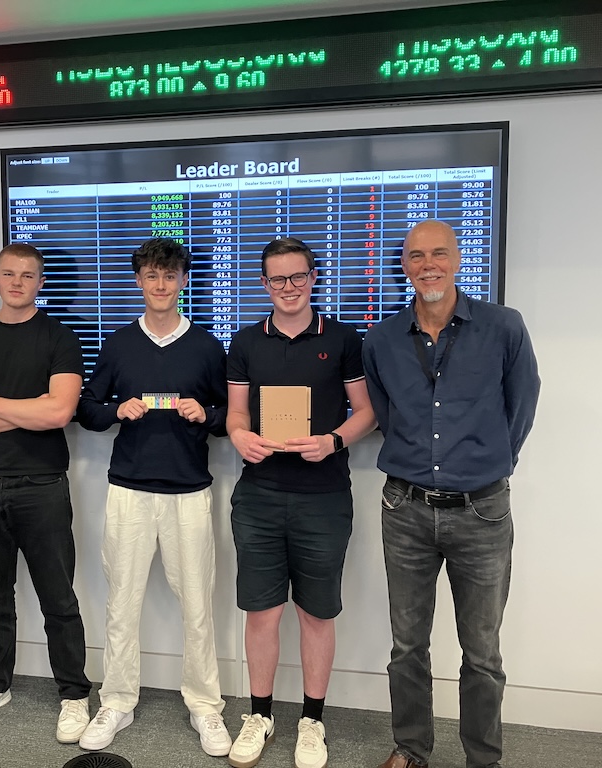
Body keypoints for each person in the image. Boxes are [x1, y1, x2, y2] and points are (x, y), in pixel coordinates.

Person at [361, 220, 540, 768]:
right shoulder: (382, 339)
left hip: (482, 512)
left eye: (439, 253)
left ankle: (482, 759)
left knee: (482, 653)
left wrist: (489, 463)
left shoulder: (503, 327)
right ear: (405, 266)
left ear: (459, 259)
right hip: (405, 510)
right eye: (416, 255)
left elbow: (522, 405)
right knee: (407, 647)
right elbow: (386, 416)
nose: (428, 264)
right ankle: (411, 750)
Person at [75, 238, 232, 756]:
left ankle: (206, 707)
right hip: (129, 491)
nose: (161, 285)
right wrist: (117, 411)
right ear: (138, 281)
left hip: (189, 492)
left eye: (170, 276)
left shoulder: (207, 346)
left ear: (183, 280)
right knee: (122, 602)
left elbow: (229, 421)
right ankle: (117, 700)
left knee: (198, 607)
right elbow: (89, 409)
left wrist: (204, 415)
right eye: (151, 276)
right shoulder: (119, 344)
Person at [226, 237, 377, 768]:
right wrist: (239, 436)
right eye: (276, 280)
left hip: (324, 497)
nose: (287, 288)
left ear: (314, 277)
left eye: (297, 277)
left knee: (316, 612)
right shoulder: (245, 342)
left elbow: (366, 412)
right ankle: (260, 714)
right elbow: (236, 414)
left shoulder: (342, 339)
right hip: (260, 495)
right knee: (262, 611)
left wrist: (333, 441)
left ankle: (312, 720)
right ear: (263, 284)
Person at [0, 243, 92, 743]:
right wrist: (23, 408)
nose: (18, 282)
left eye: (28, 275)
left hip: (43, 487)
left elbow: (58, 414)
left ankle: (74, 694)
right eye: (10, 274)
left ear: (40, 282)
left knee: (59, 599)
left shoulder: (60, 338)